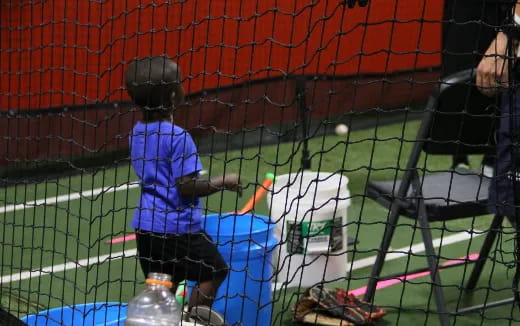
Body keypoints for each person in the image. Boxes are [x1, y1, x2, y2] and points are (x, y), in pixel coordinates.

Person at [125, 56, 243, 311]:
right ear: (171, 97)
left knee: (161, 286)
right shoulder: (179, 137)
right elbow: (187, 187)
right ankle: (193, 320)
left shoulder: (135, 132)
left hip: (146, 228)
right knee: (214, 270)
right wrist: (224, 181)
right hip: (176, 228)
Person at [441, 0, 510, 173]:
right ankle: (459, 159)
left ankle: (492, 159)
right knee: (460, 75)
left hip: (502, 18)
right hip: (467, 15)